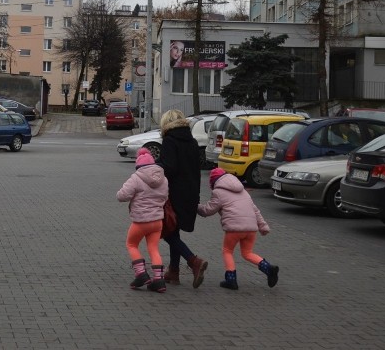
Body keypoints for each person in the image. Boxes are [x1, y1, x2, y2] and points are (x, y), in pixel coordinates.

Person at [197, 168, 279, 290]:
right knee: (247, 253)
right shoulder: (243, 191)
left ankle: (231, 280)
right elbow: (255, 210)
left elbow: (208, 210)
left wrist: (195, 207)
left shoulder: (218, 192)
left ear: (214, 182)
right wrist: (263, 226)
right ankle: (268, 268)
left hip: (234, 229)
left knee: (227, 251)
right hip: (251, 229)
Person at [157, 109, 208, 287]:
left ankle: (193, 261)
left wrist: (155, 166)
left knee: (168, 232)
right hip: (191, 193)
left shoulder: (170, 141)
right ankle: (174, 272)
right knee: (174, 231)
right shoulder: (192, 142)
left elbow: (169, 168)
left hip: (174, 194)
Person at [116, 148, 169, 293]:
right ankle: (159, 281)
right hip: (157, 221)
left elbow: (122, 196)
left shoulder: (136, 178)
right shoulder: (163, 179)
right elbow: (165, 197)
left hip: (141, 221)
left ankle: (141, 274)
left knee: (131, 244)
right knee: (153, 248)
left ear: (139, 166)